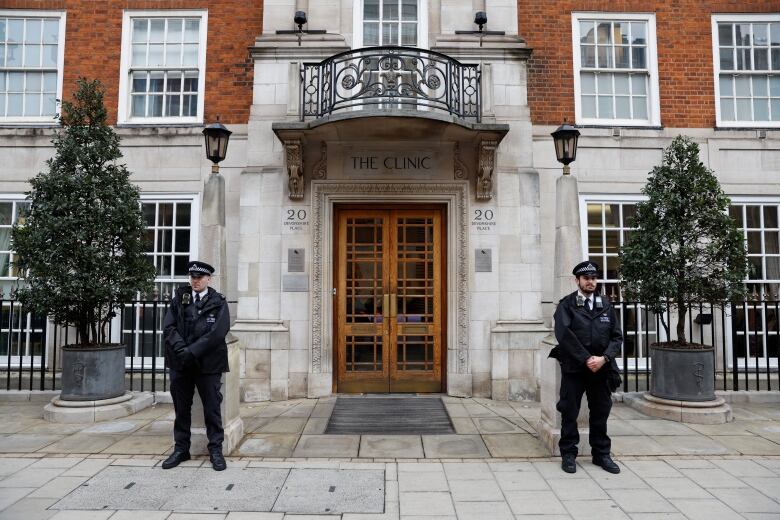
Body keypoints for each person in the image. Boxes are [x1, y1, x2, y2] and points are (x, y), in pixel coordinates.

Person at [551, 261, 622, 474]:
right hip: (575, 368)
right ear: (578, 281)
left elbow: (617, 337)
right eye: (586, 278)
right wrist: (586, 358)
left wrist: (604, 358)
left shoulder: (606, 304)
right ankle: (569, 455)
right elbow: (564, 335)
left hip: (601, 369)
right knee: (569, 411)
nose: (590, 282)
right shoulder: (567, 304)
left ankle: (601, 454)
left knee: (600, 411)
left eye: (593, 278)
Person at [162, 260, 230, 471]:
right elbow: (169, 327)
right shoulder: (179, 298)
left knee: (212, 409)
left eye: (199, 278)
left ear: (209, 279)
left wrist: (192, 351)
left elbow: (217, 333)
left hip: (208, 364)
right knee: (181, 409)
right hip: (181, 364)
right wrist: (183, 351)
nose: (195, 281)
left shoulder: (219, 302)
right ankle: (181, 449)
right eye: (192, 277)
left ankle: (216, 450)